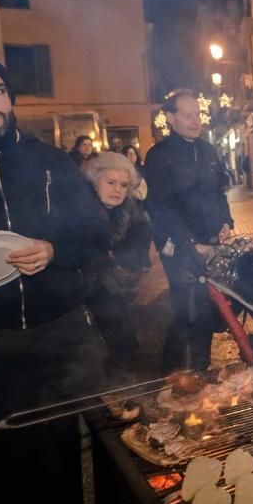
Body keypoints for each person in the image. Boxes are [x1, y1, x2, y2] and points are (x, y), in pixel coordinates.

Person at [0, 51, 110, 504]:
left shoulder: (49, 160)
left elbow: (94, 234)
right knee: (8, 452)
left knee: (83, 439)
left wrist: (54, 249)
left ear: (10, 101)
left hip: (63, 330)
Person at [144, 88, 234, 373]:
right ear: (170, 118)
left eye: (198, 115)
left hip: (210, 242)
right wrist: (189, 244)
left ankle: (201, 367)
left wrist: (226, 222)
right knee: (186, 311)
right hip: (180, 248)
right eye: (187, 116)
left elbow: (219, 192)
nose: (195, 122)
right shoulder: (159, 156)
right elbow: (161, 207)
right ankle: (170, 373)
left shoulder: (208, 150)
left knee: (209, 306)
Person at [83, 151, 153, 381]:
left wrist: (127, 263)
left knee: (125, 342)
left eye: (124, 185)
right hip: (77, 289)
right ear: (95, 181)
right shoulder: (80, 209)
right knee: (84, 352)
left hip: (107, 285)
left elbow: (142, 237)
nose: (118, 190)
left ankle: (110, 390)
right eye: (111, 183)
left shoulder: (129, 210)